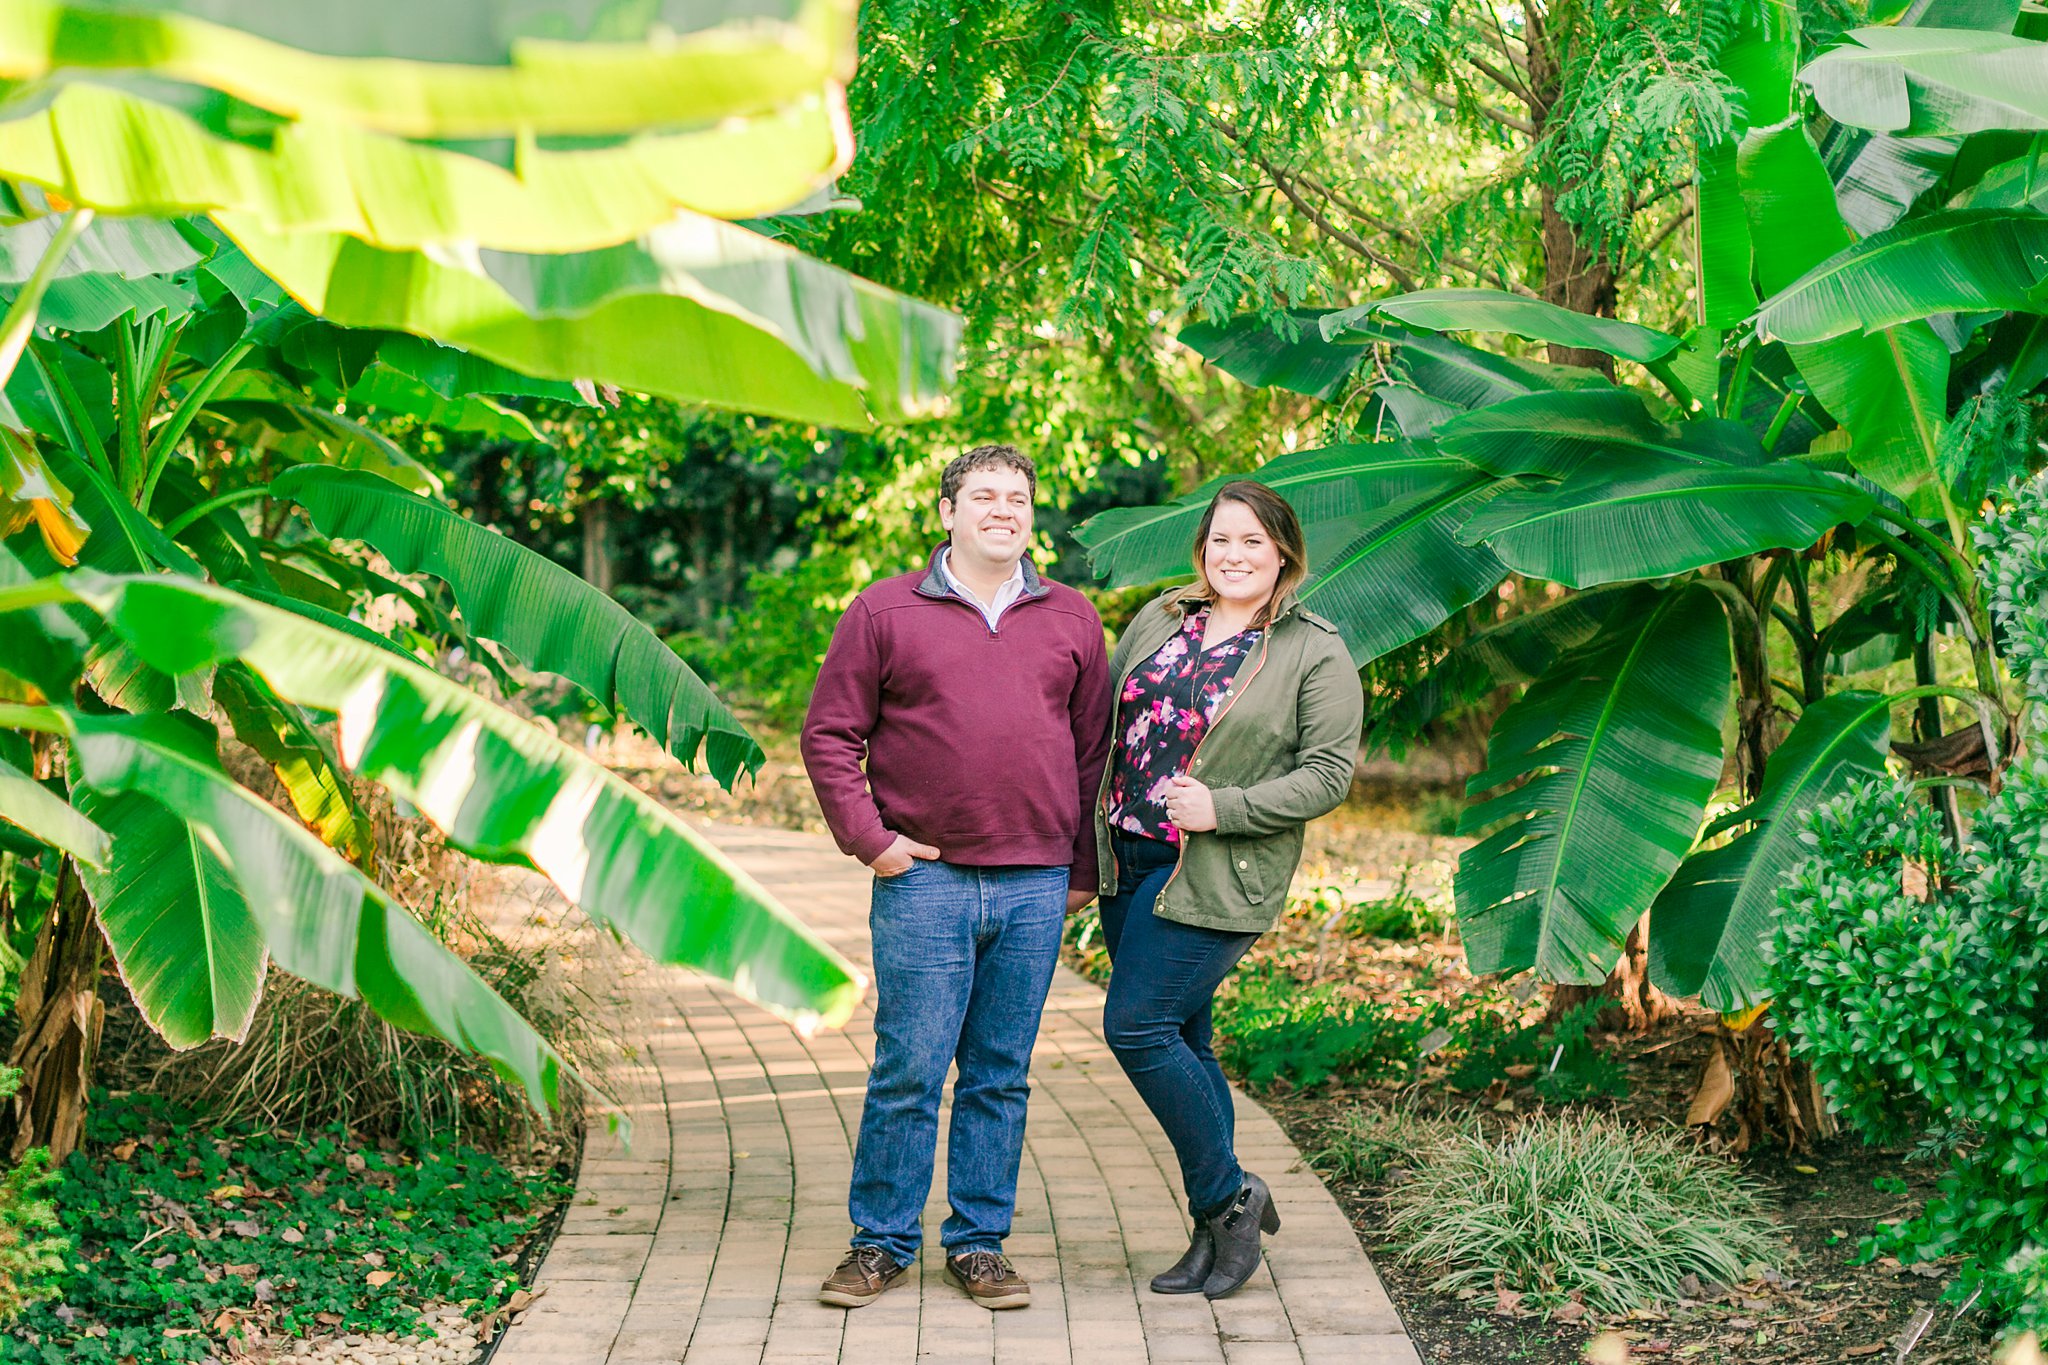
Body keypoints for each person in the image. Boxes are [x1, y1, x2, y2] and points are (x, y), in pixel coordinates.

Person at [801, 444, 1111, 1313]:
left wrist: (1080, 868)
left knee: (999, 1072)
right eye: (984, 495)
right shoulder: (883, 610)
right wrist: (871, 842)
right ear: (947, 511)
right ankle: (880, 1242)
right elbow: (828, 735)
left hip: (1034, 883)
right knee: (909, 1066)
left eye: (1018, 496)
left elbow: (1093, 752)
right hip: (924, 882)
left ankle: (978, 1242)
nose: (1003, 509)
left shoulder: (1072, 619)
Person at [1090, 480, 1362, 1299]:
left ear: (1283, 551)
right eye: (1219, 540)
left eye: (1252, 541)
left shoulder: (1317, 649)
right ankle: (1213, 1233)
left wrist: (1225, 808)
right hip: (1130, 857)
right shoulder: (1161, 618)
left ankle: (1231, 1199)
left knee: (1136, 1026)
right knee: (1187, 1039)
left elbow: (1329, 773)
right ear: (1201, 549)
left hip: (1216, 868)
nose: (1233, 555)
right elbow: (1106, 726)